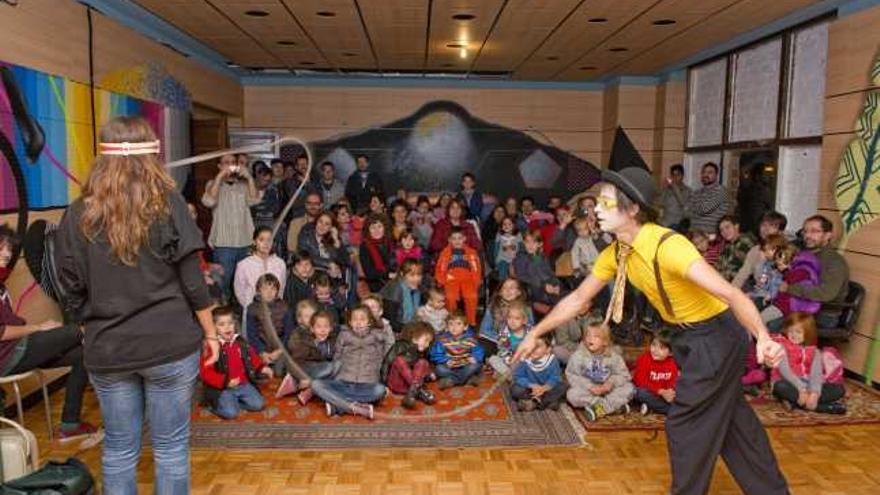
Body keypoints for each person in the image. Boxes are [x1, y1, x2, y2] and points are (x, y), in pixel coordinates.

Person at [515, 166, 788, 495]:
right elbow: (577, 299)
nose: (594, 209)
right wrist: (535, 332)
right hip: (687, 338)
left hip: (715, 337)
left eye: (604, 203)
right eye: (595, 204)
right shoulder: (617, 252)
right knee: (733, 424)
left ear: (632, 209)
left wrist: (763, 336)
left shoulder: (667, 246)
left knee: (685, 423)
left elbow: (731, 294)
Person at [54, 116, 219, 494]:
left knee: (118, 449)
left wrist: (87, 325)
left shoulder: (78, 213)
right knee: (171, 449)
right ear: (150, 157)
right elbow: (193, 279)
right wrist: (210, 333)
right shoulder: (169, 205)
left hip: (108, 349)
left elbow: (68, 285)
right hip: (169, 345)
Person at [0, 225, 96, 441]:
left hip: (20, 348)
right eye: (1, 248)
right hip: (7, 356)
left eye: (9, 249)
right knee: (79, 331)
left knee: (85, 354)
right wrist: (39, 328)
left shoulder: (2, 287)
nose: (7, 254)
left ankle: (69, 424)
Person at [312, 304, 390, 419]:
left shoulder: (377, 337)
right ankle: (358, 407)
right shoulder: (343, 335)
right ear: (350, 322)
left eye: (362, 319)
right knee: (316, 384)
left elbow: (382, 359)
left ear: (369, 321)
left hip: (367, 384)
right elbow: (337, 357)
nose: (358, 323)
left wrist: (381, 380)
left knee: (380, 391)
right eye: (355, 319)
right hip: (344, 382)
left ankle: (338, 406)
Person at [201, 152, 260, 301]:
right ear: (219, 166)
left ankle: (245, 315)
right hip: (223, 244)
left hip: (246, 242)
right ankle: (223, 316)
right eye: (226, 162)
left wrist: (249, 177)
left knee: (247, 284)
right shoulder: (212, 184)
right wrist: (220, 176)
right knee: (223, 285)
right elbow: (208, 202)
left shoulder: (245, 185)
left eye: (233, 162)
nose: (230, 165)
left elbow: (254, 201)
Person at [778, 215, 850, 329]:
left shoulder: (835, 261)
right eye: (805, 231)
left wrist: (790, 288)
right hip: (797, 304)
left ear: (828, 235)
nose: (807, 236)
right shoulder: (802, 254)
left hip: (823, 314)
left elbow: (826, 293)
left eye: (814, 231)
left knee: (771, 324)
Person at [200, 306, 272, 419]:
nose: (227, 327)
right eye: (222, 324)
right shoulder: (211, 347)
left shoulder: (240, 341)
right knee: (231, 414)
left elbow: (252, 356)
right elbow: (205, 373)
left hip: (243, 384)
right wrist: (225, 382)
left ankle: (233, 403)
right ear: (214, 328)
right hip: (224, 389)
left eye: (230, 323)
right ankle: (213, 405)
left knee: (259, 405)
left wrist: (261, 368)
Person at [771, 313, 846, 414]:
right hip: (790, 383)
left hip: (808, 386)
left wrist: (814, 393)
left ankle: (797, 403)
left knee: (839, 389)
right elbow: (785, 370)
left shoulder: (815, 352)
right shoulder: (781, 346)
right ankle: (821, 407)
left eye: (798, 332)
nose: (794, 335)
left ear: (807, 333)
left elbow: (816, 374)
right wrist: (801, 389)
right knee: (780, 387)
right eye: (791, 331)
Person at [565, 316, 634, 421]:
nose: (590, 339)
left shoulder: (614, 357)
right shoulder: (578, 356)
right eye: (588, 335)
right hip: (590, 392)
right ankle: (613, 407)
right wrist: (590, 386)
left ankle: (599, 409)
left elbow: (624, 375)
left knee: (630, 388)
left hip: (609, 390)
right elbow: (572, 375)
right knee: (572, 395)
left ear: (605, 342)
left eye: (595, 336)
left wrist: (610, 383)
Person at [380, 321, 437, 409]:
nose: (427, 344)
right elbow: (386, 363)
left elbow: (422, 372)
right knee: (399, 360)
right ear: (414, 337)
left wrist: (430, 374)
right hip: (396, 384)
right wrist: (383, 385)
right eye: (426, 340)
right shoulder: (399, 346)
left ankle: (411, 394)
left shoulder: (423, 353)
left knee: (423, 362)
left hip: (409, 388)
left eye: (429, 342)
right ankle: (419, 391)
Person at [287, 309, 339, 405]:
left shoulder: (332, 342)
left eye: (326, 327)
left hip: (322, 371)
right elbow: (294, 362)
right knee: (330, 367)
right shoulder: (306, 343)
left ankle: (310, 390)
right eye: (318, 327)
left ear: (331, 328)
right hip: (307, 369)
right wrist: (299, 377)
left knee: (338, 367)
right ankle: (301, 382)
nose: (323, 330)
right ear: (312, 329)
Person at [244, 273, 294, 370]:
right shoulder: (252, 308)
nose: (269, 292)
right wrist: (262, 352)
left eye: (273, 289)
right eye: (265, 289)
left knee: (280, 369)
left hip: (281, 347)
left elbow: (289, 332)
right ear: (258, 291)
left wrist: (279, 351)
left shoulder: (285, 307)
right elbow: (252, 334)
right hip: (261, 348)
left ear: (277, 291)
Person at [435, 227, 482, 326]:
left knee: (471, 296)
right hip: (451, 278)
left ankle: (471, 322)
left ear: (464, 239)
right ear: (449, 240)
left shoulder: (472, 253)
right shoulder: (445, 253)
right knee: (450, 297)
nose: (457, 241)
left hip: (468, 278)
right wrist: (441, 281)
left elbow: (477, 268)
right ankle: (452, 321)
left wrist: (476, 282)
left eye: (459, 238)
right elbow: (439, 268)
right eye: (454, 238)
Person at [510, 333, 567, 412]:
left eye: (538, 347)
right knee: (515, 389)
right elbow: (518, 376)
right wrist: (531, 385)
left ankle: (535, 403)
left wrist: (545, 388)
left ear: (548, 349)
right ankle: (546, 402)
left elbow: (555, 377)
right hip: (530, 388)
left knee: (563, 387)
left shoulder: (552, 360)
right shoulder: (525, 359)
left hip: (546, 389)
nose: (533, 349)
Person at [478, 277, 533, 356]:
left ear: (519, 292)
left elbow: (531, 329)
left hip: (520, 343)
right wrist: (502, 340)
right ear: (500, 292)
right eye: (504, 288)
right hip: (498, 342)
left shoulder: (526, 308)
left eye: (512, 288)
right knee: (481, 346)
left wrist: (519, 342)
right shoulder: (492, 307)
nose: (508, 291)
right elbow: (483, 330)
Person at [732, 211, 788, 289]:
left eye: (771, 226)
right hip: (759, 292)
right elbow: (741, 275)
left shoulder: (786, 250)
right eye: (763, 225)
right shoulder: (755, 250)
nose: (766, 229)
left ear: (780, 231)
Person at [429, 310, 484, 389]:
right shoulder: (442, 340)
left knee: (476, 365)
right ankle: (465, 380)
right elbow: (435, 354)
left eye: (458, 324)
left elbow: (479, 351)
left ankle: (452, 380)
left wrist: (475, 357)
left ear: (465, 327)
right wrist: (445, 360)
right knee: (439, 369)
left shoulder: (471, 338)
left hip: (465, 366)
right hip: (450, 367)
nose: (454, 327)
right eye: (451, 324)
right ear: (447, 326)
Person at [234, 226, 287, 308]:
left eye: (269, 240)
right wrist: (250, 307)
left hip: (274, 310)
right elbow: (239, 291)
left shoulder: (280, 263)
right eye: (261, 240)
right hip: (253, 310)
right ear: (254, 242)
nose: (266, 244)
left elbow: (281, 289)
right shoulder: (244, 265)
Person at [632, 333, 679, 415]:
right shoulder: (644, 359)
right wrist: (660, 391)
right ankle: (671, 410)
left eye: (661, 348)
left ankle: (652, 407)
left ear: (670, 353)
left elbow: (673, 380)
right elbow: (640, 381)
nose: (655, 350)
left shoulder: (673, 362)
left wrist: (670, 391)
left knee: (683, 392)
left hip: (663, 396)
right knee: (638, 392)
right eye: (654, 345)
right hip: (649, 392)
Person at [486, 301, 532, 376]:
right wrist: (510, 360)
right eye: (509, 317)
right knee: (493, 359)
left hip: (526, 360)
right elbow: (502, 351)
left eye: (517, 318)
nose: (512, 321)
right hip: (509, 361)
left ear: (524, 320)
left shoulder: (530, 331)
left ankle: (512, 376)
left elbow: (537, 346)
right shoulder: (504, 333)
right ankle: (510, 376)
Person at [380, 259, 425, 333]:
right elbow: (391, 321)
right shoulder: (395, 289)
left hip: (410, 326)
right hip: (395, 331)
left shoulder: (418, 287)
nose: (416, 279)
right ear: (402, 274)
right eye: (412, 275)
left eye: (419, 275)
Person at [686, 162, 729, 234]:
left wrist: (693, 207)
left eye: (710, 172)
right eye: (703, 172)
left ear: (716, 175)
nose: (705, 175)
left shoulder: (720, 191)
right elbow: (686, 211)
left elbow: (704, 209)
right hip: (694, 233)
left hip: (711, 235)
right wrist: (694, 208)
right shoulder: (697, 192)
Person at [715, 215, 756, 282]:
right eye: (721, 230)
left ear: (736, 226)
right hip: (726, 282)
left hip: (745, 284)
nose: (724, 232)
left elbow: (734, 271)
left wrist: (714, 278)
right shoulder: (728, 246)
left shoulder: (745, 241)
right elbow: (717, 266)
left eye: (727, 227)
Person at [360, 215, 395, 293]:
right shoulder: (364, 246)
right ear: (368, 230)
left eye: (379, 226)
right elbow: (370, 274)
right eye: (373, 228)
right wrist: (388, 275)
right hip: (377, 285)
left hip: (394, 281)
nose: (377, 230)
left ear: (385, 228)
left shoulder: (391, 242)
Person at [659, 164, 691, 230]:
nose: (675, 177)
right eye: (673, 175)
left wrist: (675, 188)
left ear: (682, 176)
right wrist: (663, 188)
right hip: (664, 224)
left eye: (678, 175)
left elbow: (683, 204)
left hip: (678, 225)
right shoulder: (667, 189)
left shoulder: (688, 191)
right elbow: (660, 204)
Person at [492, 216, 521, 281]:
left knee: (516, 271)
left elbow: (521, 246)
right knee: (503, 269)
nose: (507, 226)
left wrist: (520, 257)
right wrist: (495, 261)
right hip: (502, 259)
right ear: (501, 226)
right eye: (504, 224)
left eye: (509, 224)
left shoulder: (518, 234)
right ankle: (502, 284)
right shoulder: (499, 234)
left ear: (514, 225)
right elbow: (496, 248)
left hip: (515, 258)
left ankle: (516, 286)